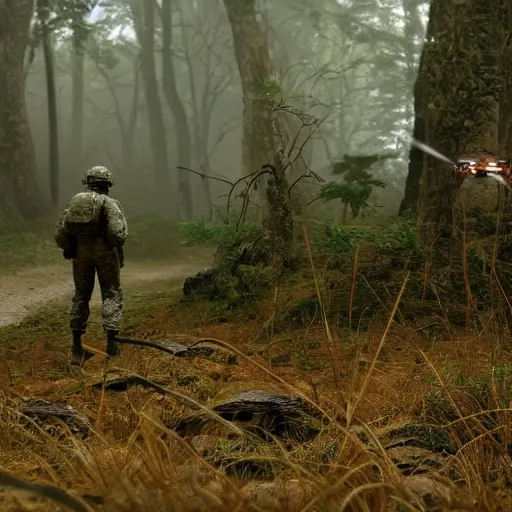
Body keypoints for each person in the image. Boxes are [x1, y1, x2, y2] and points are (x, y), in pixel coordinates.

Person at [54, 166, 128, 365]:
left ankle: (76, 348)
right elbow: (117, 234)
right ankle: (112, 348)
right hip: (106, 255)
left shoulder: (75, 203)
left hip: (81, 255)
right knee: (111, 293)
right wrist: (111, 246)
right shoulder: (111, 203)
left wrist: (72, 248)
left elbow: (61, 234)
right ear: (108, 183)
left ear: (87, 182)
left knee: (80, 296)